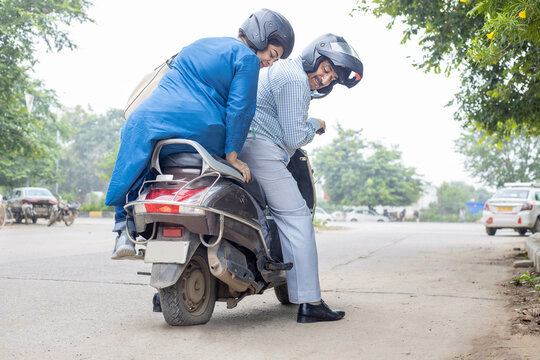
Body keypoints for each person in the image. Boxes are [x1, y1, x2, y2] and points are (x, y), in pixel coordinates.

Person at [105, 9, 295, 259]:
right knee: (244, 179)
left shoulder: (197, 44)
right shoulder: (246, 58)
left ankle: (122, 230)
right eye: (272, 54)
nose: (270, 62)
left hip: (146, 123)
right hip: (200, 132)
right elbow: (240, 109)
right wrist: (233, 156)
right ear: (259, 37)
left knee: (141, 170)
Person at [238, 33, 364, 323]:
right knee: (296, 217)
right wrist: (314, 124)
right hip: (262, 152)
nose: (326, 79)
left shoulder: (283, 71)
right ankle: (311, 303)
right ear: (314, 58)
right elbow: (294, 136)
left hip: (248, 147)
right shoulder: (294, 78)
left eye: (332, 77)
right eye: (326, 69)